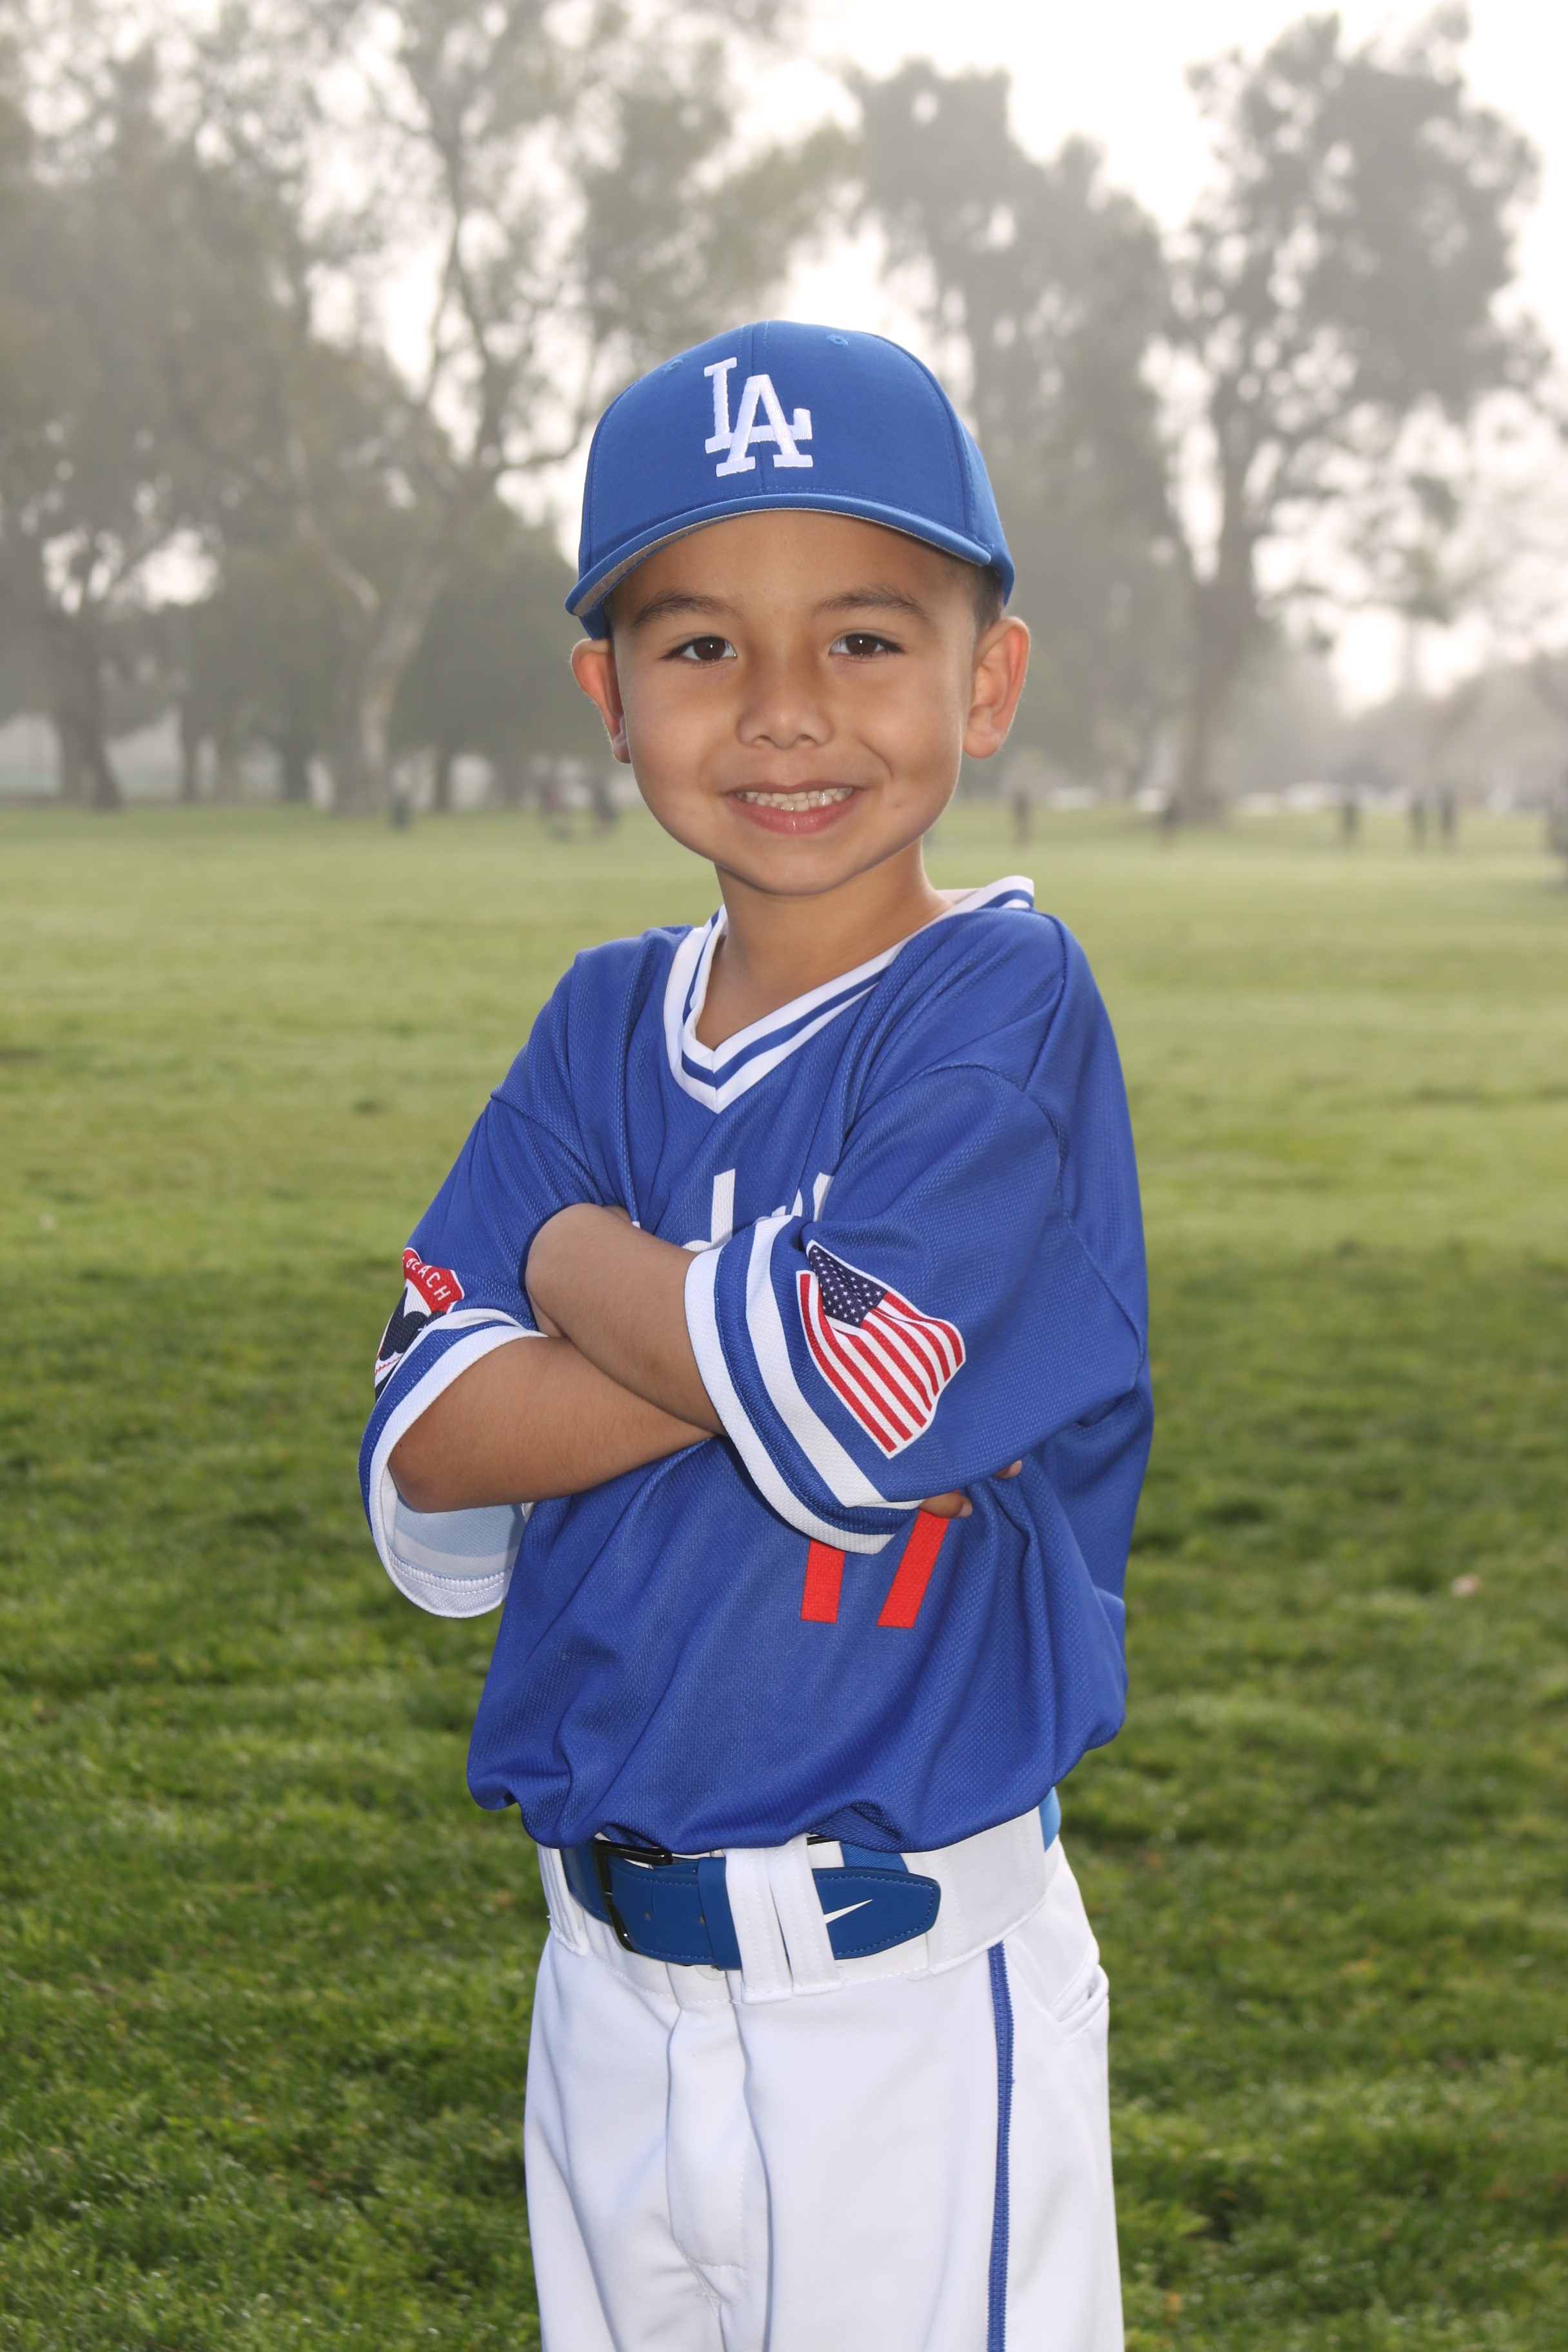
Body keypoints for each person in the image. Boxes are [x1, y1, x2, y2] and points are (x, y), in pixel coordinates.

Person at [359, 320, 1152, 2352]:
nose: (787, 708)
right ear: (611, 699)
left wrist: (567, 1254)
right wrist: (745, 1321)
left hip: (902, 2011)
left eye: (866, 639)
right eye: (703, 644)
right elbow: (433, 1446)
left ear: (988, 678)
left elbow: (839, 1411)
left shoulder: (1005, 1003)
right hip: (604, 1990)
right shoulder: (596, 1022)